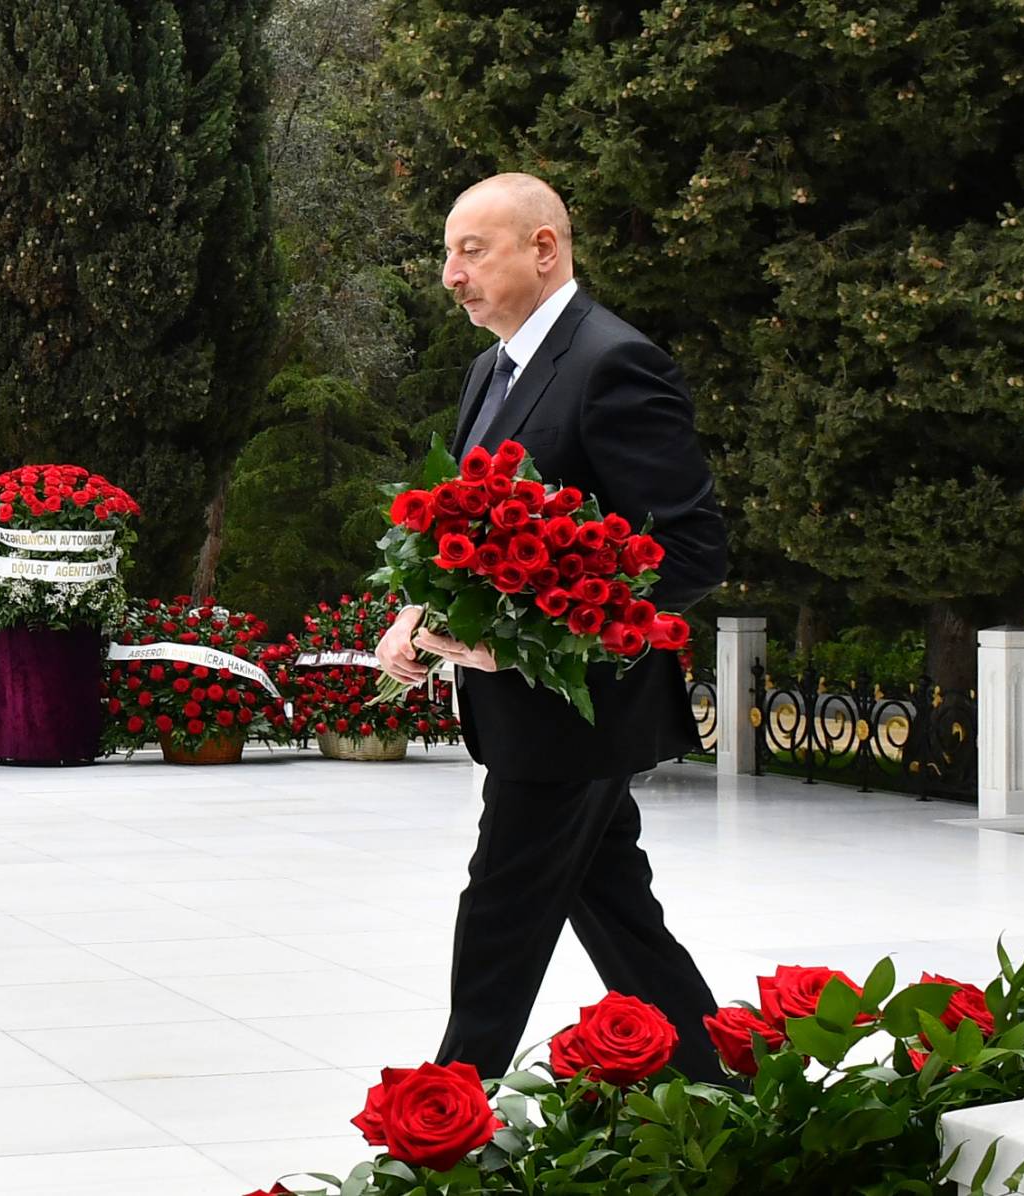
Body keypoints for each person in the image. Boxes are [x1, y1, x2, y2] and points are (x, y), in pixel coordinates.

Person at [375, 172, 731, 1083]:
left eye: (472, 250)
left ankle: (439, 1127)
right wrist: (422, 614)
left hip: (582, 714)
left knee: (501, 917)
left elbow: (688, 550)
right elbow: (467, 534)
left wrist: (540, 637)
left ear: (545, 248)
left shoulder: (616, 363)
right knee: (617, 912)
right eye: (446, 254)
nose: (452, 275)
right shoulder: (488, 371)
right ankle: (726, 1082)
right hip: (523, 714)